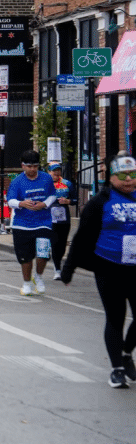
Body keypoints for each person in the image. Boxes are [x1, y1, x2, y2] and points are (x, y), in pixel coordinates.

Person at [62, 152, 136, 389]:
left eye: (132, 175)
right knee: (115, 318)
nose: (128, 180)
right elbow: (82, 236)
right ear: (111, 177)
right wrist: (69, 267)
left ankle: (126, 353)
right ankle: (116, 369)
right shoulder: (99, 202)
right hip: (109, 266)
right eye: (122, 175)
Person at [6, 150, 57, 296]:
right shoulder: (17, 181)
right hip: (22, 223)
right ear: (23, 166)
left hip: (43, 221)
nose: (32, 169)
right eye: (29, 166)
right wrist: (21, 203)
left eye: (35, 166)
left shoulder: (46, 178)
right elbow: (10, 200)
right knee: (26, 257)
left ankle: (38, 277)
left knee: (43, 252)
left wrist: (44, 204)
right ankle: (26, 283)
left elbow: (53, 195)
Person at [49, 163, 77, 280]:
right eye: (54, 171)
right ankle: (57, 269)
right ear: (49, 172)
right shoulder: (46, 184)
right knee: (55, 243)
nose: (56, 173)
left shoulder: (67, 184)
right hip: (51, 219)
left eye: (58, 170)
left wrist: (68, 201)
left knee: (62, 244)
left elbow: (75, 199)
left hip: (64, 219)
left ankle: (58, 262)